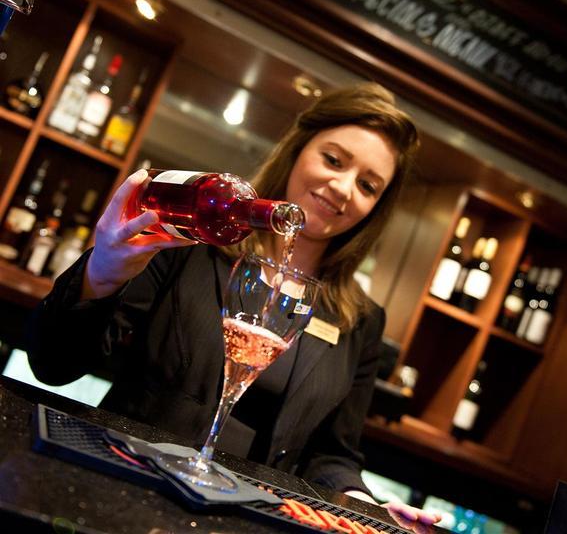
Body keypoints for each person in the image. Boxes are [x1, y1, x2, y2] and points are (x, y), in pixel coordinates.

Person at [27, 82, 441, 526]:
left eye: (368, 185)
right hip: (128, 492)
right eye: (333, 160)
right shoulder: (192, 242)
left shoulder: (361, 321)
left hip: (250, 521)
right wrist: (104, 271)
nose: (342, 188)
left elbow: (333, 454)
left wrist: (364, 504)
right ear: (298, 150)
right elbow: (53, 364)